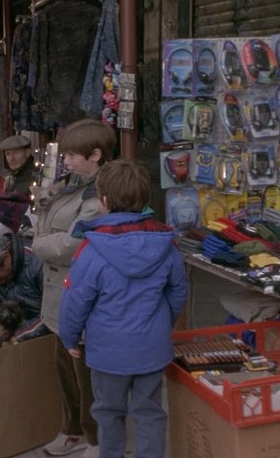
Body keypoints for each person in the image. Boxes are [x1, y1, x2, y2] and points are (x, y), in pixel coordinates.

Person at [58, 160, 188, 458]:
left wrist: (69, 336)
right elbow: (178, 289)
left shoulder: (92, 249)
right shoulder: (165, 244)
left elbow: (75, 299)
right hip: (152, 348)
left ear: (103, 201)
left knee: (108, 413)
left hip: (107, 352)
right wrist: (163, 322)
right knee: (150, 413)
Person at [31, 118, 115, 458]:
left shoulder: (100, 193)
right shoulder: (73, 184)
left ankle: (96, 438)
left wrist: (39, 244)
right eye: (64, 155)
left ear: (95, 155)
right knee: (65, 367)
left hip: (79, 293)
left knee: (84, 373)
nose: (65, 161)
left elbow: (74, 242)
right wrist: (45, 200)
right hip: (59, 295)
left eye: (72, 156)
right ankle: (73, 429)